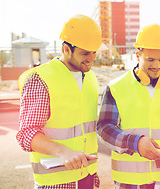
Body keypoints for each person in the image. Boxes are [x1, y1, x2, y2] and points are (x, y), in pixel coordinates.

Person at [16, 14, 106, 189]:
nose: (92, 58)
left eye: (95, 52)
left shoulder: (91, 78)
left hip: (86, 177)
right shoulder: (41, 79)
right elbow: (26, 134)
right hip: (55, 182)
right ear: (66, 49)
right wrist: (62, 151)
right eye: (85, 53)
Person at [97, 24, 160, 189]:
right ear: (138, 56)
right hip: (129, 181)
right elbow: (104, 128)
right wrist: (136, 143)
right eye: (150, 59)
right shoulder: (116, 88)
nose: (156, 65)